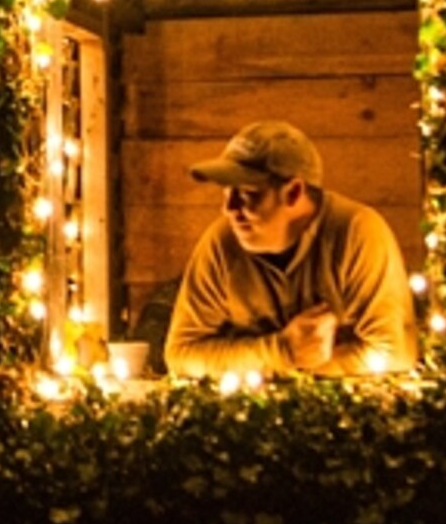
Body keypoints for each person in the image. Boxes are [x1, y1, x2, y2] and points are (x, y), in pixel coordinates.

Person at [163, 121, 418, 379]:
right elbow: (181, 354)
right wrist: (282, 352)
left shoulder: (357, 233)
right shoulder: (221, 244)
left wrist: (271, 365)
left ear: (294, 191)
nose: (229, 208)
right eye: (227, 193)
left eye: (248, 194)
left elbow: (393, 352)